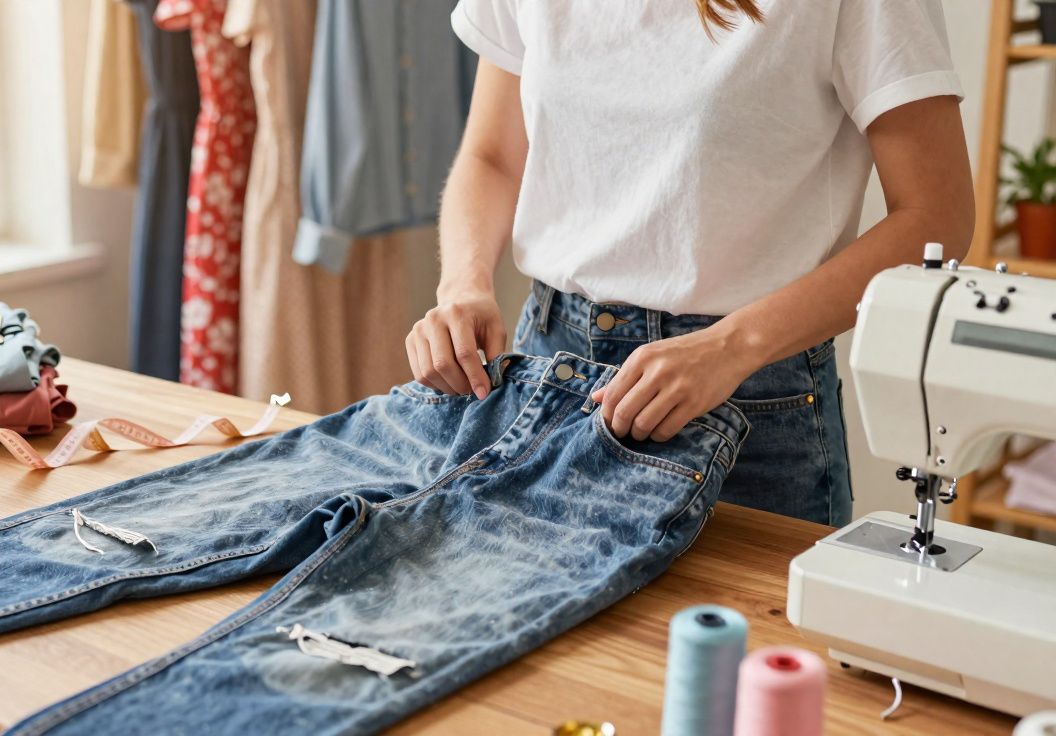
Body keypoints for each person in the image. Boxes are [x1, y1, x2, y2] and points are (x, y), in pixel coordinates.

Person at [406, 0, 974, 526]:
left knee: (744, 637)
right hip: (549, 366)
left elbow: (936, 215)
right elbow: (494, 156)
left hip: (748, 396)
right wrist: (463, 283)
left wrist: (731, 347)